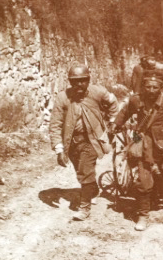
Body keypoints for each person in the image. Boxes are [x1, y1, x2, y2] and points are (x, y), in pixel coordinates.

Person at [109, 69, 163, 231]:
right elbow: (125, 111)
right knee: (144, 181)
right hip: (143, 143)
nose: (151, 91)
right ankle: (143, 215)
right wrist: (116, 125)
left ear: (161, 87)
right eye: (148, 87)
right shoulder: (136, 100)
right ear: (143, 86)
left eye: (155, 87)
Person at [49, 64, 119, 221]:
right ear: (70, 82)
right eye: (74, 82)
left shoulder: (98, 92)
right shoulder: (62, 98)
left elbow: (113, 104)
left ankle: (84, 208)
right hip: (72, 143)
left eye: (82, 81)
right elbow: (55, 124)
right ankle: (92, 189)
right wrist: (59, 149)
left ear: (88, 80)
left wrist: (113, 122)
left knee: (85, 170)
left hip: (91, 141)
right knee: (81, 172)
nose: (79, 85)